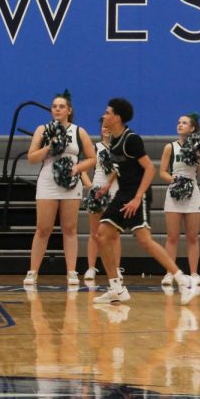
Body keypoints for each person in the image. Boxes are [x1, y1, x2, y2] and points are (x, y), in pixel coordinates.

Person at [92, 98, 196, 306]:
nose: (104, 115)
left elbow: (150, 169)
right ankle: (116, 289)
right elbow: (119, 167)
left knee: (144, 241)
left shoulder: (132, 139)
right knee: (102, 235)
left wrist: (138, 198)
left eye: (107, 112)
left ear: (117, 117)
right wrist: (107, 185)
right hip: (123, 193)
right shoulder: (114, 139)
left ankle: (183, 280)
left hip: (139, 194)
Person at [24, 91, 95, 290]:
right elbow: (31, 158)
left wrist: (77, 168)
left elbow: (92, 158)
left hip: (71, 183)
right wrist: (49, 147)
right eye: (54, 106)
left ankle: (72, 271)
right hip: (47, 181)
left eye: (61, 106)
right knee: (42, 229)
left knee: (70, 228)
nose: (57, 109)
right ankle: (33, 272)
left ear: (69, 110)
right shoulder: (42, 130)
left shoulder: (78, 131)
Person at [159, 113, 200, 291]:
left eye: (184, 123)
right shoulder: (170, 147)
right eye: (179, 122)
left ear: (192, 128)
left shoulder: (198, 147)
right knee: (172, 237)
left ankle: (194, 273)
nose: (180, 125)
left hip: (193, 193)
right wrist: (173, 180)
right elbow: (162, 171)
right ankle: (169, 272)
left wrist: (199, 155)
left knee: (192, 237)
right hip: (174, 192)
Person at [82, 117, 111, 286]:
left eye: (108, 126)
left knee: (113, 235)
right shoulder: (95, 147)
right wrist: (90, 186)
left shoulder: (119, 148)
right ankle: (91, 267)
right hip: (98, 191)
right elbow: (82, 168)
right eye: (103, 126)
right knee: (94, 232)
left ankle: (115, 268)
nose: (106, 128)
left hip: (114, 191)